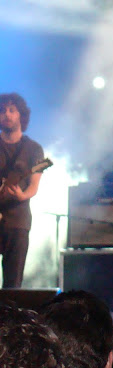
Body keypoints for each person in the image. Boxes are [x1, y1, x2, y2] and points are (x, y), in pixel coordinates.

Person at [0, 93, 44, 288]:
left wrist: (22, 195)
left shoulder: (34, 149)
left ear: (21, 115)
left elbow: (34, 185)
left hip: (17, 219)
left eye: (12, 110)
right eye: (2, 111)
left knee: (13, 282)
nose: (7, 115)